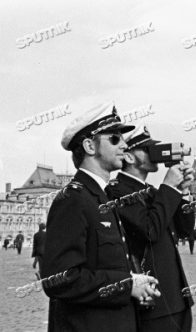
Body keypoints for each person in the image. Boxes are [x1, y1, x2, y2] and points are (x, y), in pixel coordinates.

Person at [41, 102, 160, 332]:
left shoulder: (101, 196)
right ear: (89, 146)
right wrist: (126, 286)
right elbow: (58, 279)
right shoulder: (73, 199)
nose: (124, 145)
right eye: (115, 138)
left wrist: (135, 281)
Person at [106, 122, 195, 331]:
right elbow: (150, 230)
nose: (154, 153)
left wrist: (183, 192)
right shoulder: (118, 191)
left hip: (177, 298)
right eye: (147, 149)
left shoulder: (154, 192)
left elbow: (185, 229)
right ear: (128, 156)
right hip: (154, 304)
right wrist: (169, 187)